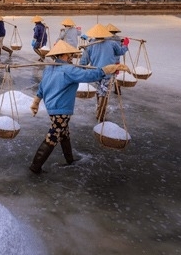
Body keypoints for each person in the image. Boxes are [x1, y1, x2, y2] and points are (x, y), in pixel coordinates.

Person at [29, 40, 129, 173]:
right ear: (64, 55)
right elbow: (88, 75)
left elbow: (41, 88)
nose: (71, 57)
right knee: (53, 135)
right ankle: (35, 167)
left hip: (52, 107)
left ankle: (69, 160)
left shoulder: (49, 69)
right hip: (61, 109)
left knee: (63, 133)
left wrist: (36, 102)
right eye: (70, 55)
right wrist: (108, 69)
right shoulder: (69, 70)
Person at [79, 24, 129, 122]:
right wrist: (126, 45)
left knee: (99, 91)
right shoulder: (112, 43)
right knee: (104, 93)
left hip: (96, 72)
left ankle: (99, 109)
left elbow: (84, 61)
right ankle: (101, 113)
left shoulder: (91, 44)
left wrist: (82, 70)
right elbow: (120, 52)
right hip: (108, 72)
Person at [106, 23, 129, 94]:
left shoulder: (104, 39)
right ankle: (117, 90)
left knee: (107, 77)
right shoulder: (118, 39)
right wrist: (125, 45)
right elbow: (120, 51)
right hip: (116, 62)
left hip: (107, 61)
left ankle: (106, 91)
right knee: (115, 76)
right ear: (115, 32)